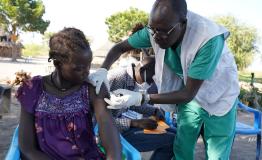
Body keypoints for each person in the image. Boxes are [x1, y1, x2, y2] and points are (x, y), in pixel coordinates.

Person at [88, 0, 240, 159]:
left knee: (217, 154)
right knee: (181, 147)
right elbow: (119, 48)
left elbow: (188, 93)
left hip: (219, 96)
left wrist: (141, 98)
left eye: (162, 31)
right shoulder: (156, 30)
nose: (156, 37)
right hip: (188, 100)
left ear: (183, 24)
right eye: (152, 30)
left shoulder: (207, 38)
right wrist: (103, 70)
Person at [16, 28, 121, 160]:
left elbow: (107, 127)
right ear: (57, 63)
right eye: (79, 68)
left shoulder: (93, 89)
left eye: (89, 65)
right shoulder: (33, 90)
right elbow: (27, 148)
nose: (87, 72)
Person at [108, 56, 175, 160]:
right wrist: (134, 123)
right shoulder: (117, 78)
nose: (151, 83)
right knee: (173, 140)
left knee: (174, 132)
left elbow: (132, 103)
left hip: (120, 127)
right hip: (110, 135)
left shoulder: (131, 80)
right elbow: (99, 121)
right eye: (151, 78)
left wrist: (155, 111)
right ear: (143, 70)